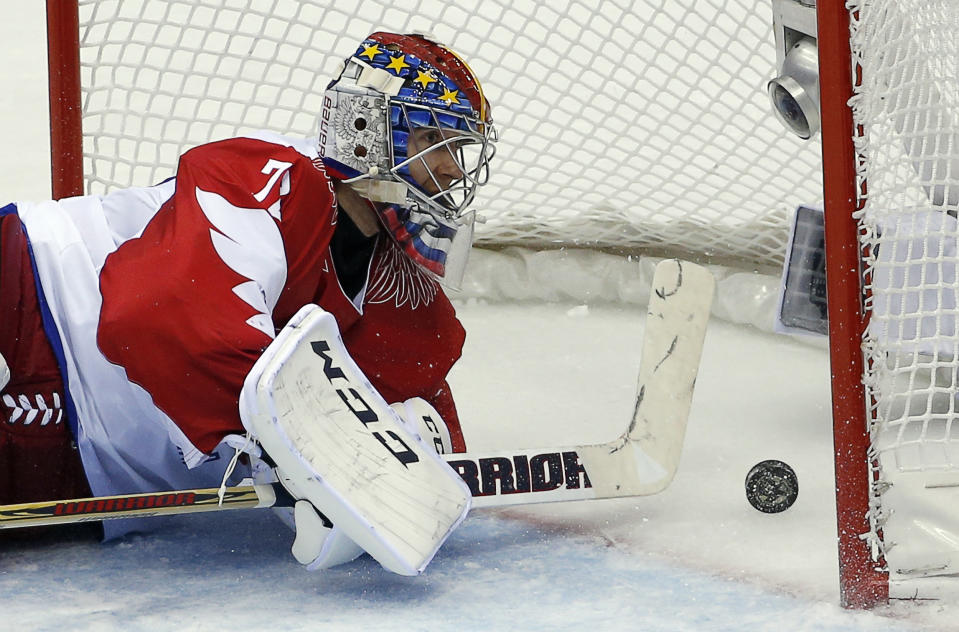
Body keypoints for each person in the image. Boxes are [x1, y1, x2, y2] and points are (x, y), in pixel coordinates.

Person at [0, 32, 497, 556]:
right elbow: (159, 319)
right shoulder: (272, 179)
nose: (451, 170)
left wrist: (422, 459)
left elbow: (417, 427)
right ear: (366, 128)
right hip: (27, 296)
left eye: (458, 149)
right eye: (432, 141)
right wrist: (317, 452)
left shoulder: (397, 290)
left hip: (82, 469)